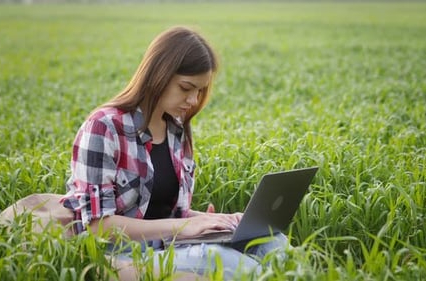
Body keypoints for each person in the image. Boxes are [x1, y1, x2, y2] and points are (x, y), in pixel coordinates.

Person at [61, 26, 288, 280]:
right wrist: (186, 226)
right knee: (235, 265)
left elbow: (167, 213)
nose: (193, 100)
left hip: (168, 244)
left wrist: (219, 222)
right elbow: (98, 227)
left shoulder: (175, 130)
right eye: (186, 88)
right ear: (159, 74)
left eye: (200, 91)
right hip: (122, 253)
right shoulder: (104, 127)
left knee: (275, 243)